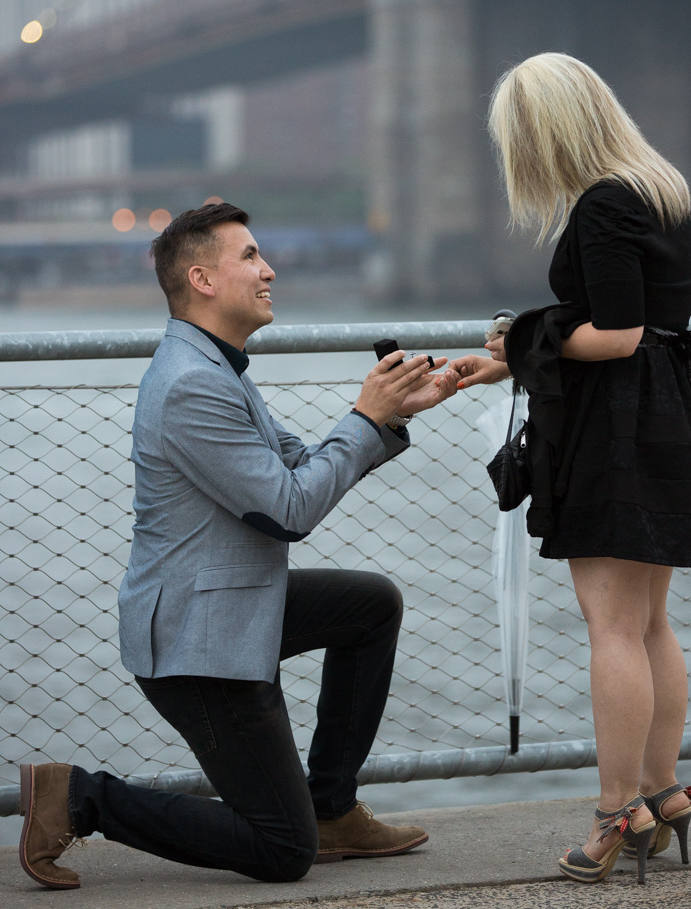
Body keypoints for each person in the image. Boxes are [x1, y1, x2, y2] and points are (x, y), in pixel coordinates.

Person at [19, 201, 458, 891]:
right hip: (199, 644)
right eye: (251, 256)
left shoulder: (219, 368)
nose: (269, 269)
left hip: (227, 604)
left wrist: (389, 413)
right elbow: (288, 510)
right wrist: (363, 418)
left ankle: (332, 809)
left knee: (370, 606)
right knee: (283, 851)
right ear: (201, 279)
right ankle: (80, 796)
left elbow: (299, 464)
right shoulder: (192, 384)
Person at [451, 54, 691, 887]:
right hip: (667, 410)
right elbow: (643, 325)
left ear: (546, 132)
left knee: (611, 624)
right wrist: (514, 359)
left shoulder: (604, 201)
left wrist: (524, 338)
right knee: (649, 620)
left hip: (620, 426)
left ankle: (616, 812)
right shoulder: (660, 187)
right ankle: (661, 792)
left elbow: (614, 335)